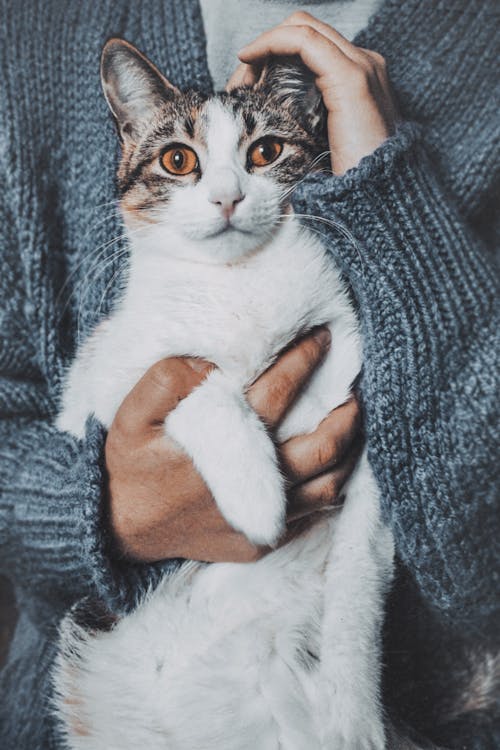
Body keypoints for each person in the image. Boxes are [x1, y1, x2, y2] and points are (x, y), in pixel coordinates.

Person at [0, 1, 498, 748]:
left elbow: (477, 559)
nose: (226, 192)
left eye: (261, 154)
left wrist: (390, 194)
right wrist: (104, 515)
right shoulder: (28, 29)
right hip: (125, 699)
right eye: (180, 161)